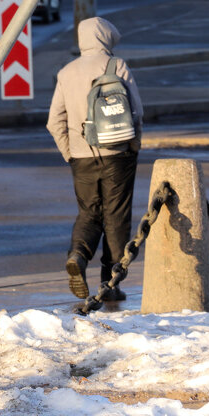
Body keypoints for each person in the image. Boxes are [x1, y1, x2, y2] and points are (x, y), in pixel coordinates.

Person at [46, 16, 143, 302]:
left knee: (89, 212)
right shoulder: (117, 66)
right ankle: (110, 284)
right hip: (118, 155)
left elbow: (54, 121)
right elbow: (137, 111)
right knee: (117, 217)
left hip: (81, 156)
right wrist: (133, 146)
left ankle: (78, 254)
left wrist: (70, 152)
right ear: (105, 38)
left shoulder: (66, 72)